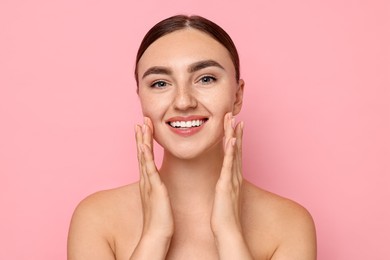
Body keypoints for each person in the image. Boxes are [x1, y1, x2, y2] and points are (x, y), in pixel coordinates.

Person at [67, 15, 316, 260]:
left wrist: (229, 234)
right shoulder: (96, 219)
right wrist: (155, 236)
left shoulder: (289, 224)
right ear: (141, 98)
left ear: (238, 96)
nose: (184, 102)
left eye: (206, 79)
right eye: (160, 84)